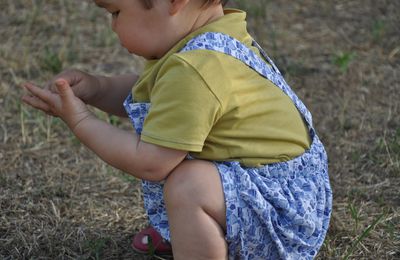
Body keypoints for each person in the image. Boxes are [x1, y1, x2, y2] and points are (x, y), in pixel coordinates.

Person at [21, 0, 332, 259]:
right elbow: (162, 98)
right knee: (190, 174)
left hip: (281, 220)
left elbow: (150, 162)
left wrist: (81, 121)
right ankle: (194, 234)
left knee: (189, 185)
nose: (113, 26)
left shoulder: (196, 67)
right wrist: (98, 88)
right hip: (287, 194)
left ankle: (204, 241)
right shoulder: (211, 36)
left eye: (116, 13)